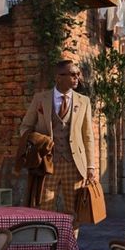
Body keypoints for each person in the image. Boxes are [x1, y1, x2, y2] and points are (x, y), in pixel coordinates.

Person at [19, 59, 96, 221]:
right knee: (43, 209)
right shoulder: (40, 98)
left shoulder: (84, 101)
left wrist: (90, 166)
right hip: (47, 164)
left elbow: (88, 135)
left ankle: (70, 246)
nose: (77, 78)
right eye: (73, 75)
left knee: (74, 211)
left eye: (78, 75)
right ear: (59, 77)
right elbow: (25, 126)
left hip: (74, 165)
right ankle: (46, 245)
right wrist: (36, 140)